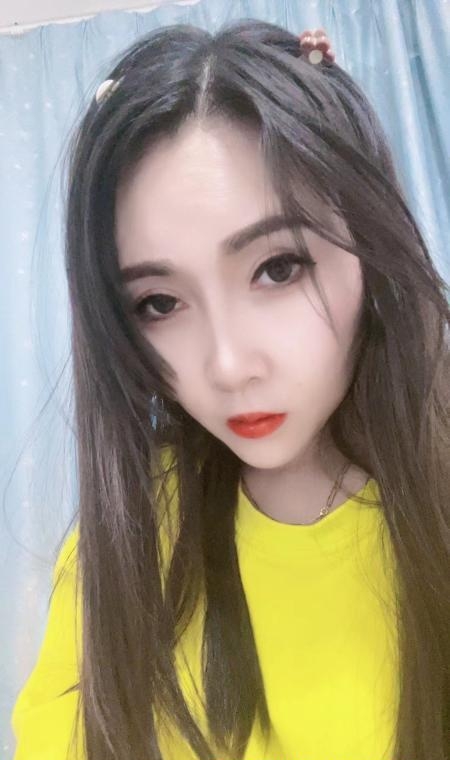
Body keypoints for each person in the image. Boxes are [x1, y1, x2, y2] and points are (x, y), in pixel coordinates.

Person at [10, 18, 450, 760]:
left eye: (278, 268)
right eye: (159, 303)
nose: (227, 364)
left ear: (370, 247)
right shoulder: (125, 542)